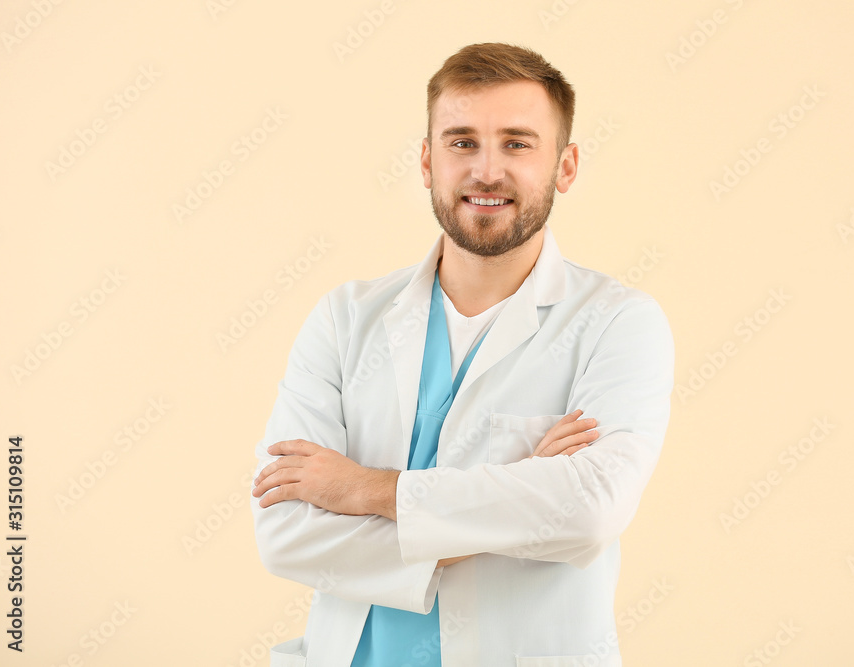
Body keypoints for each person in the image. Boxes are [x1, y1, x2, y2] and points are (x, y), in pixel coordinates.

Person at [250, 42, 674, 667]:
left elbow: (588, 510)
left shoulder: (619, 324)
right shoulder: (346, 318)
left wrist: (363, 489)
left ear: (566, 166)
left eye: (518, 143)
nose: (486, 170)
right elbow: (284, 534)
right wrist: (519, 493)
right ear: (427, 161)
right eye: (461, 142)